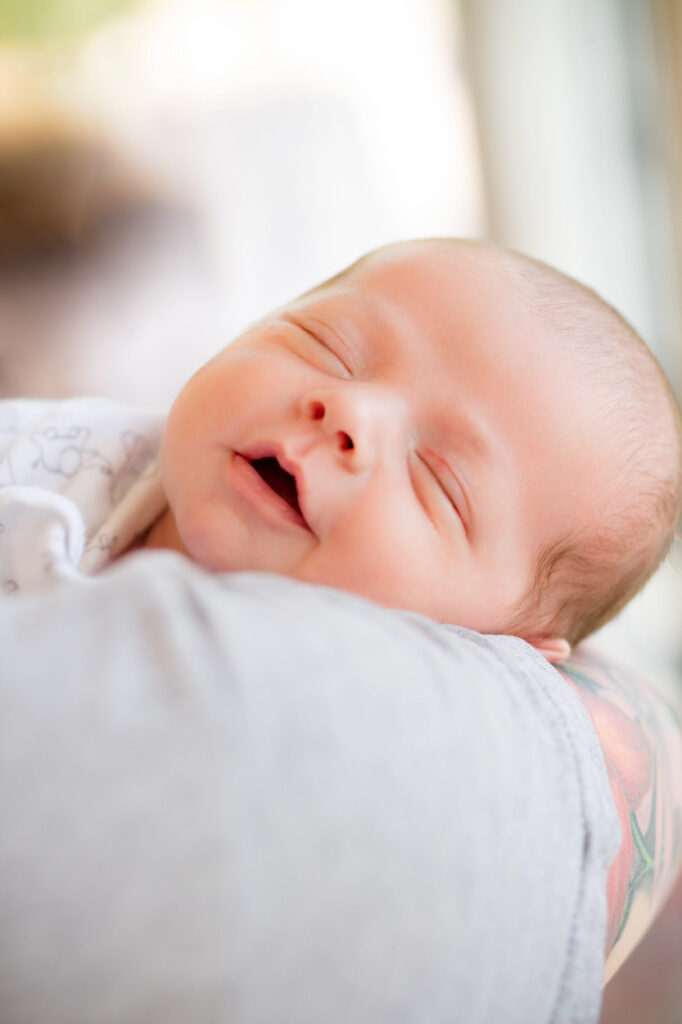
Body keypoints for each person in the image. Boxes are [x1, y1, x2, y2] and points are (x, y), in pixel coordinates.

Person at [1, 238, 680, 666]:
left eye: (436, 479)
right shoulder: (52, 450)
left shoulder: (335, 734)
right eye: (326, 345)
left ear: (503, 647)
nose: (348, 409)